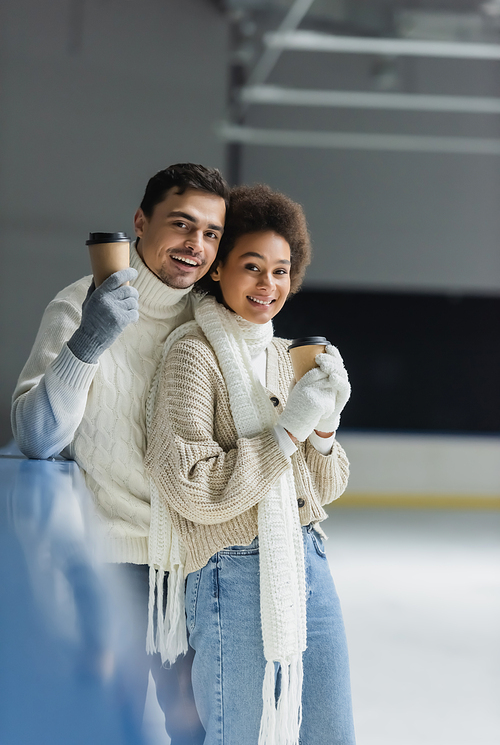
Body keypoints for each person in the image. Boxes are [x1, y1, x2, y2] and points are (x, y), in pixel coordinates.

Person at [11, 163, 230, 745]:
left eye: (211, 234)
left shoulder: (217, 319)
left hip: (196, 564)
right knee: (108, 723)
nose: (196, 246)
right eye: (182, 225)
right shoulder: (80, 302)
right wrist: (90, 339)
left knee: (197, 726)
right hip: (108, 561)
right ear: (141, 223)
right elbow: (35, 438)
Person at [145, 184, 356, 745]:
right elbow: (192, 487)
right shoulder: (194, 353)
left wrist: (326, 424)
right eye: (253, 266)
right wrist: (290, 428)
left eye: (282, 271)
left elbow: (325, 487)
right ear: (219, 270)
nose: (269, 285)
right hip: (230, 573)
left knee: (330, 735)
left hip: (305, 560)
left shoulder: (286, 357)